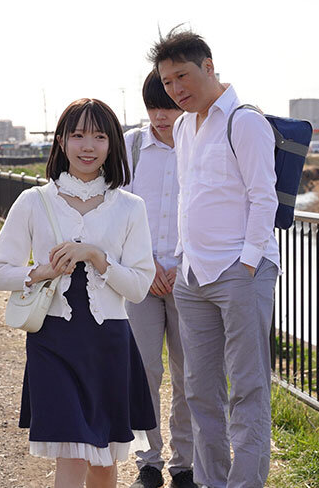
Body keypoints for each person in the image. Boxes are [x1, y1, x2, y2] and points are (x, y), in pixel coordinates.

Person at [0, 98, 157, 488]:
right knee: (73, 451)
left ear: (112, 144)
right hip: (53, 341)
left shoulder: (130, 207)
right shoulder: (34, 201)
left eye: (99, 136)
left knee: (104, 459)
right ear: (61, 141)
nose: (88, 146)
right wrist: (42, 271)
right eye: (78, 135)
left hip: (109, 344)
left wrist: (96, 257)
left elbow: (138, 287)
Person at [151, 30, 280, 488]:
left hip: (239, 272)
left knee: (247, 389)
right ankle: (211, 482)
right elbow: (189, 196)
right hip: (193, 275)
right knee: (200, 391)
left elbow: (263, 198)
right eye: (167, 82)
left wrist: (247, 264)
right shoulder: (183, 127)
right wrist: (183, 257)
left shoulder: (245, 121)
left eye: (182, 76)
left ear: (208, 66)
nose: (175, 89)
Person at [122, 71, 194, 488]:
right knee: (143, 372)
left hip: (189, 279)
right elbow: (118, 211)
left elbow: (208, 211)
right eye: (153, 108)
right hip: (140, 278)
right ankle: (147, 462)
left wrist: (180, 264)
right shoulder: (132, 146)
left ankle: (185, 464)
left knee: (189, 376)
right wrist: (145, 265)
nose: (160, 116)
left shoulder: (199, 144)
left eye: (168, 107)